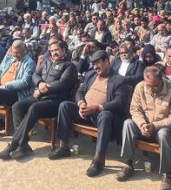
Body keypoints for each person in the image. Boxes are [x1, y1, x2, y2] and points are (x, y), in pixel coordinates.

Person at [49, 50, 132, 178]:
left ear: (106, 62)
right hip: (84, 112)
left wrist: (98, 107)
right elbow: (79, 92)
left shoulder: (118, 79)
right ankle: (64, 147)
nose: (95, 67)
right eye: (93, 64)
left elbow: (120, 102)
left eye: (98, 64)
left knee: (106, 115)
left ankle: (99, 159)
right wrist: (81, 103)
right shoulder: (90, 75)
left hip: (99, 116)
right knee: (64, 105)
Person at [0, 40, 77, 160]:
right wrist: (39, 83)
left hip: (56, 102)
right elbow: (35, 75)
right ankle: (23, 144)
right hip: (40, 97)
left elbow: (63, 84)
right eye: (52, 50)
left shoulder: (69, 66)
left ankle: (14, 144)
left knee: (35, 108)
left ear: (63, 50)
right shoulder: (46, 62)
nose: (54, 52)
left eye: (56, 50)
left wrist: (45, 88)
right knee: (17, 106)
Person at [116, 66, 171, 190]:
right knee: (128, 124)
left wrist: (154, 126)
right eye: (149, 86)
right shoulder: (140, 87)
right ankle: (128, 164)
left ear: (161, 79)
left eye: (155, 86)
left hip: (167, 128)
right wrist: (142, 124)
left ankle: (167, 174)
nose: (152, 89)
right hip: (146, 125)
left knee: (163, 134)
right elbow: (134, 109)